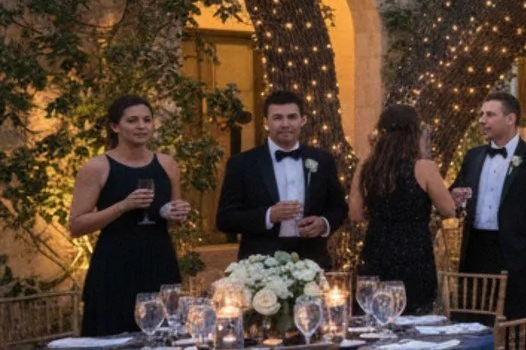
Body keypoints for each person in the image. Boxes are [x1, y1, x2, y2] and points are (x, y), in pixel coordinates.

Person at [69, 96, 191, 336]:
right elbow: (76, 225)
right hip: (114, 266)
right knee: (110, 339)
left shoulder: (167, 164)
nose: (141, 126)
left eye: (147, 120)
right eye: (132, 121)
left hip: (159, 261)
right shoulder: (97, 167)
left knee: (164, 338)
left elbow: (175, 220)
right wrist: (123, 206)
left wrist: (179, 214)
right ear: (115, 126)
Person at [450, 92, 526, 334]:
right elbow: (457, 193)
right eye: (482, 114)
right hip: (476, 253)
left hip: (517, 256)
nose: (482, 120)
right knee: (474, 326)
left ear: (510, 119)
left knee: (519, 329)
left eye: (490, 115)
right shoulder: (472, 157)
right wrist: (456, 197)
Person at [214, 89, 348, 268]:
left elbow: (339, 208)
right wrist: (268, 216)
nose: (285, 124)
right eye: (277, 118)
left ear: (303, 120)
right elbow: (225, 219)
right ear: (266, 122)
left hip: (312, 263)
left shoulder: (322, 160)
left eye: (292, 117)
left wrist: (324, 224)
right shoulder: (242, 163)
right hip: (258, 267)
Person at [349, 104, 458, 314]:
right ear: (415, 133)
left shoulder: (366, 166)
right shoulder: (425, 168)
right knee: (413, 315)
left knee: (375, 313)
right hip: (415, 253)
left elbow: (355, 214)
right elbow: (448, 211)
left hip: (377, 249)